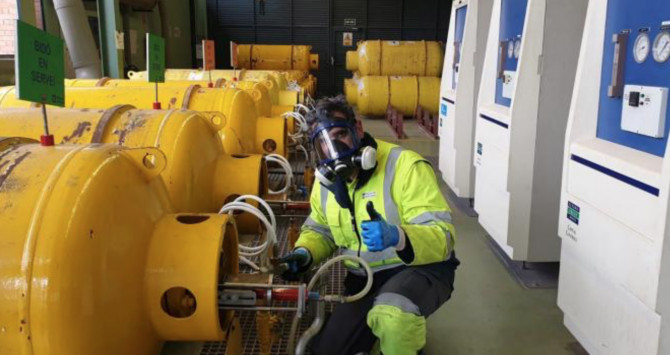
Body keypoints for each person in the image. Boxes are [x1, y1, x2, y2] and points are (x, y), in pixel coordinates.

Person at [280, 96, 459, 355]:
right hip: (364, 278)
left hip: (419, 268)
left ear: (359, 129)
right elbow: (321, 229)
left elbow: (443, 236)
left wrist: (398, 236)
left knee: (394, 315)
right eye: (324, 142)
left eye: (341, 134)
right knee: (329, 350)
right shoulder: (326, 182)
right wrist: (304, 252)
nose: (335, 148)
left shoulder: (404, 165)